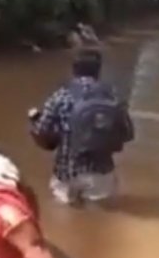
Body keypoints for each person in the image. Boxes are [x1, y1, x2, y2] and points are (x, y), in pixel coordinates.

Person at [29, 48, 132, 205]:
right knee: (100, 221)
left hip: (67, 173)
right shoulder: (112, 96)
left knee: (65, 219)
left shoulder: (60, 96)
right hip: (101, 173)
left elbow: (42, 131)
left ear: (74, 71)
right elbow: (127, 133)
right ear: (98, 71)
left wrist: (34, 119)